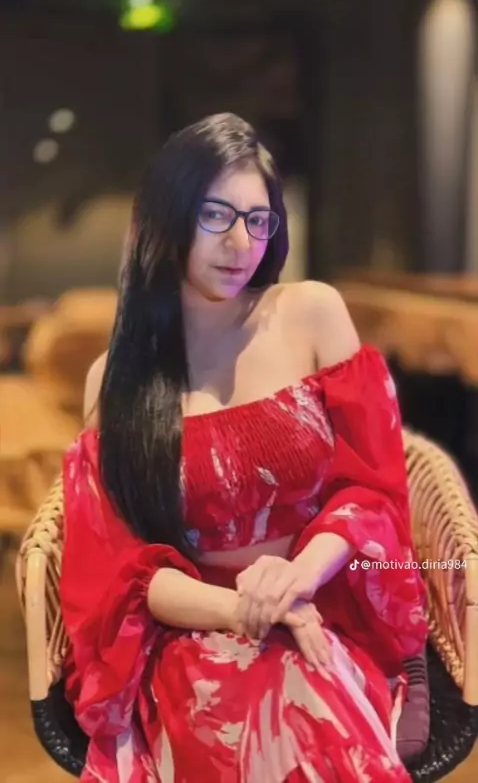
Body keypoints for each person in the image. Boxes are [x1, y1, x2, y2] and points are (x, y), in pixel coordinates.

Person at [60, 112, 428, 782]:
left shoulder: (311, 312)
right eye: (215, 216)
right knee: (252, 709)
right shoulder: (116, 383)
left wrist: (298, 580)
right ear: (166, 218)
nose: (240, 243)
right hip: (194, 630)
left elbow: (373, 490)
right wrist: (246, 610)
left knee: (306, 697)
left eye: (258, 220)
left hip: (326, 601)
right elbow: (119, 572)